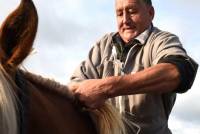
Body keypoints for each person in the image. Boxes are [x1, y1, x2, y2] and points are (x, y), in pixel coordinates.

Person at [69, 0, 198, 133]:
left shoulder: (163, 40)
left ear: (151, 13)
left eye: (132, 12)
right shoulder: (103, 45)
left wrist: (105, 88)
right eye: (119, 14)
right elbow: (74, 87)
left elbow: (176, 72)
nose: (125, 20)